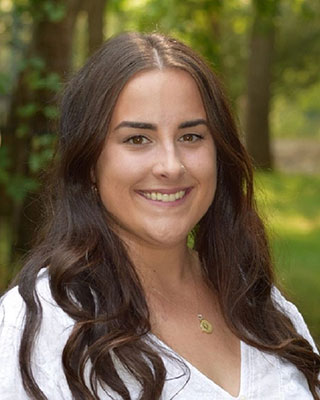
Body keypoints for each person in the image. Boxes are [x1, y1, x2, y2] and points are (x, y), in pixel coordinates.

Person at [0, 32, 319, 400]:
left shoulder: (259, 304)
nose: (171, 165)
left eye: (191, 136)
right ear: (89, 163)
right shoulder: (38, 324)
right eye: (137, 139)